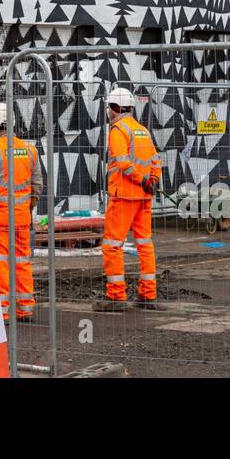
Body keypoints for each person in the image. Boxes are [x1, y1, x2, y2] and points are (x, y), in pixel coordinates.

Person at [0, 102, 43, 323]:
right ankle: (25, 308)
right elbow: (37, 186)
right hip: (21, 218)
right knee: (22, 260)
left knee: (0, 262)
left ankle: (2, 310)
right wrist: (27, 209)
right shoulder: (30, 150)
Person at [97, 87, 161, 311]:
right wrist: (152, 180)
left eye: (108, 106)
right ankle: (148, 294)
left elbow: (123, 163)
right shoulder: (141, 130)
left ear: (114, 108)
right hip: (143, 197)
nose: (107, 111)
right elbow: (155, 160)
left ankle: (116, 296)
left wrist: (143, 179)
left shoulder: (117, 130)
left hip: (124, 195)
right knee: (144, 243)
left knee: (112, 245)